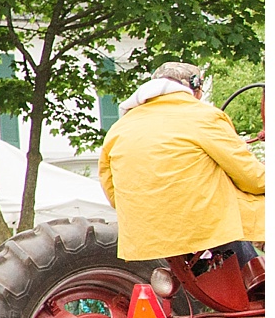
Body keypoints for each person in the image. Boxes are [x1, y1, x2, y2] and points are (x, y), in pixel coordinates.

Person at [98, 60, 264, 269]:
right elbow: (252, 178)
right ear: (193, 90)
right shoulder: (203, 116)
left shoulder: (119, 128)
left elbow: (112, 193)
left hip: (144, 235)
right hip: (200, 228)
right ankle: (256, 279)